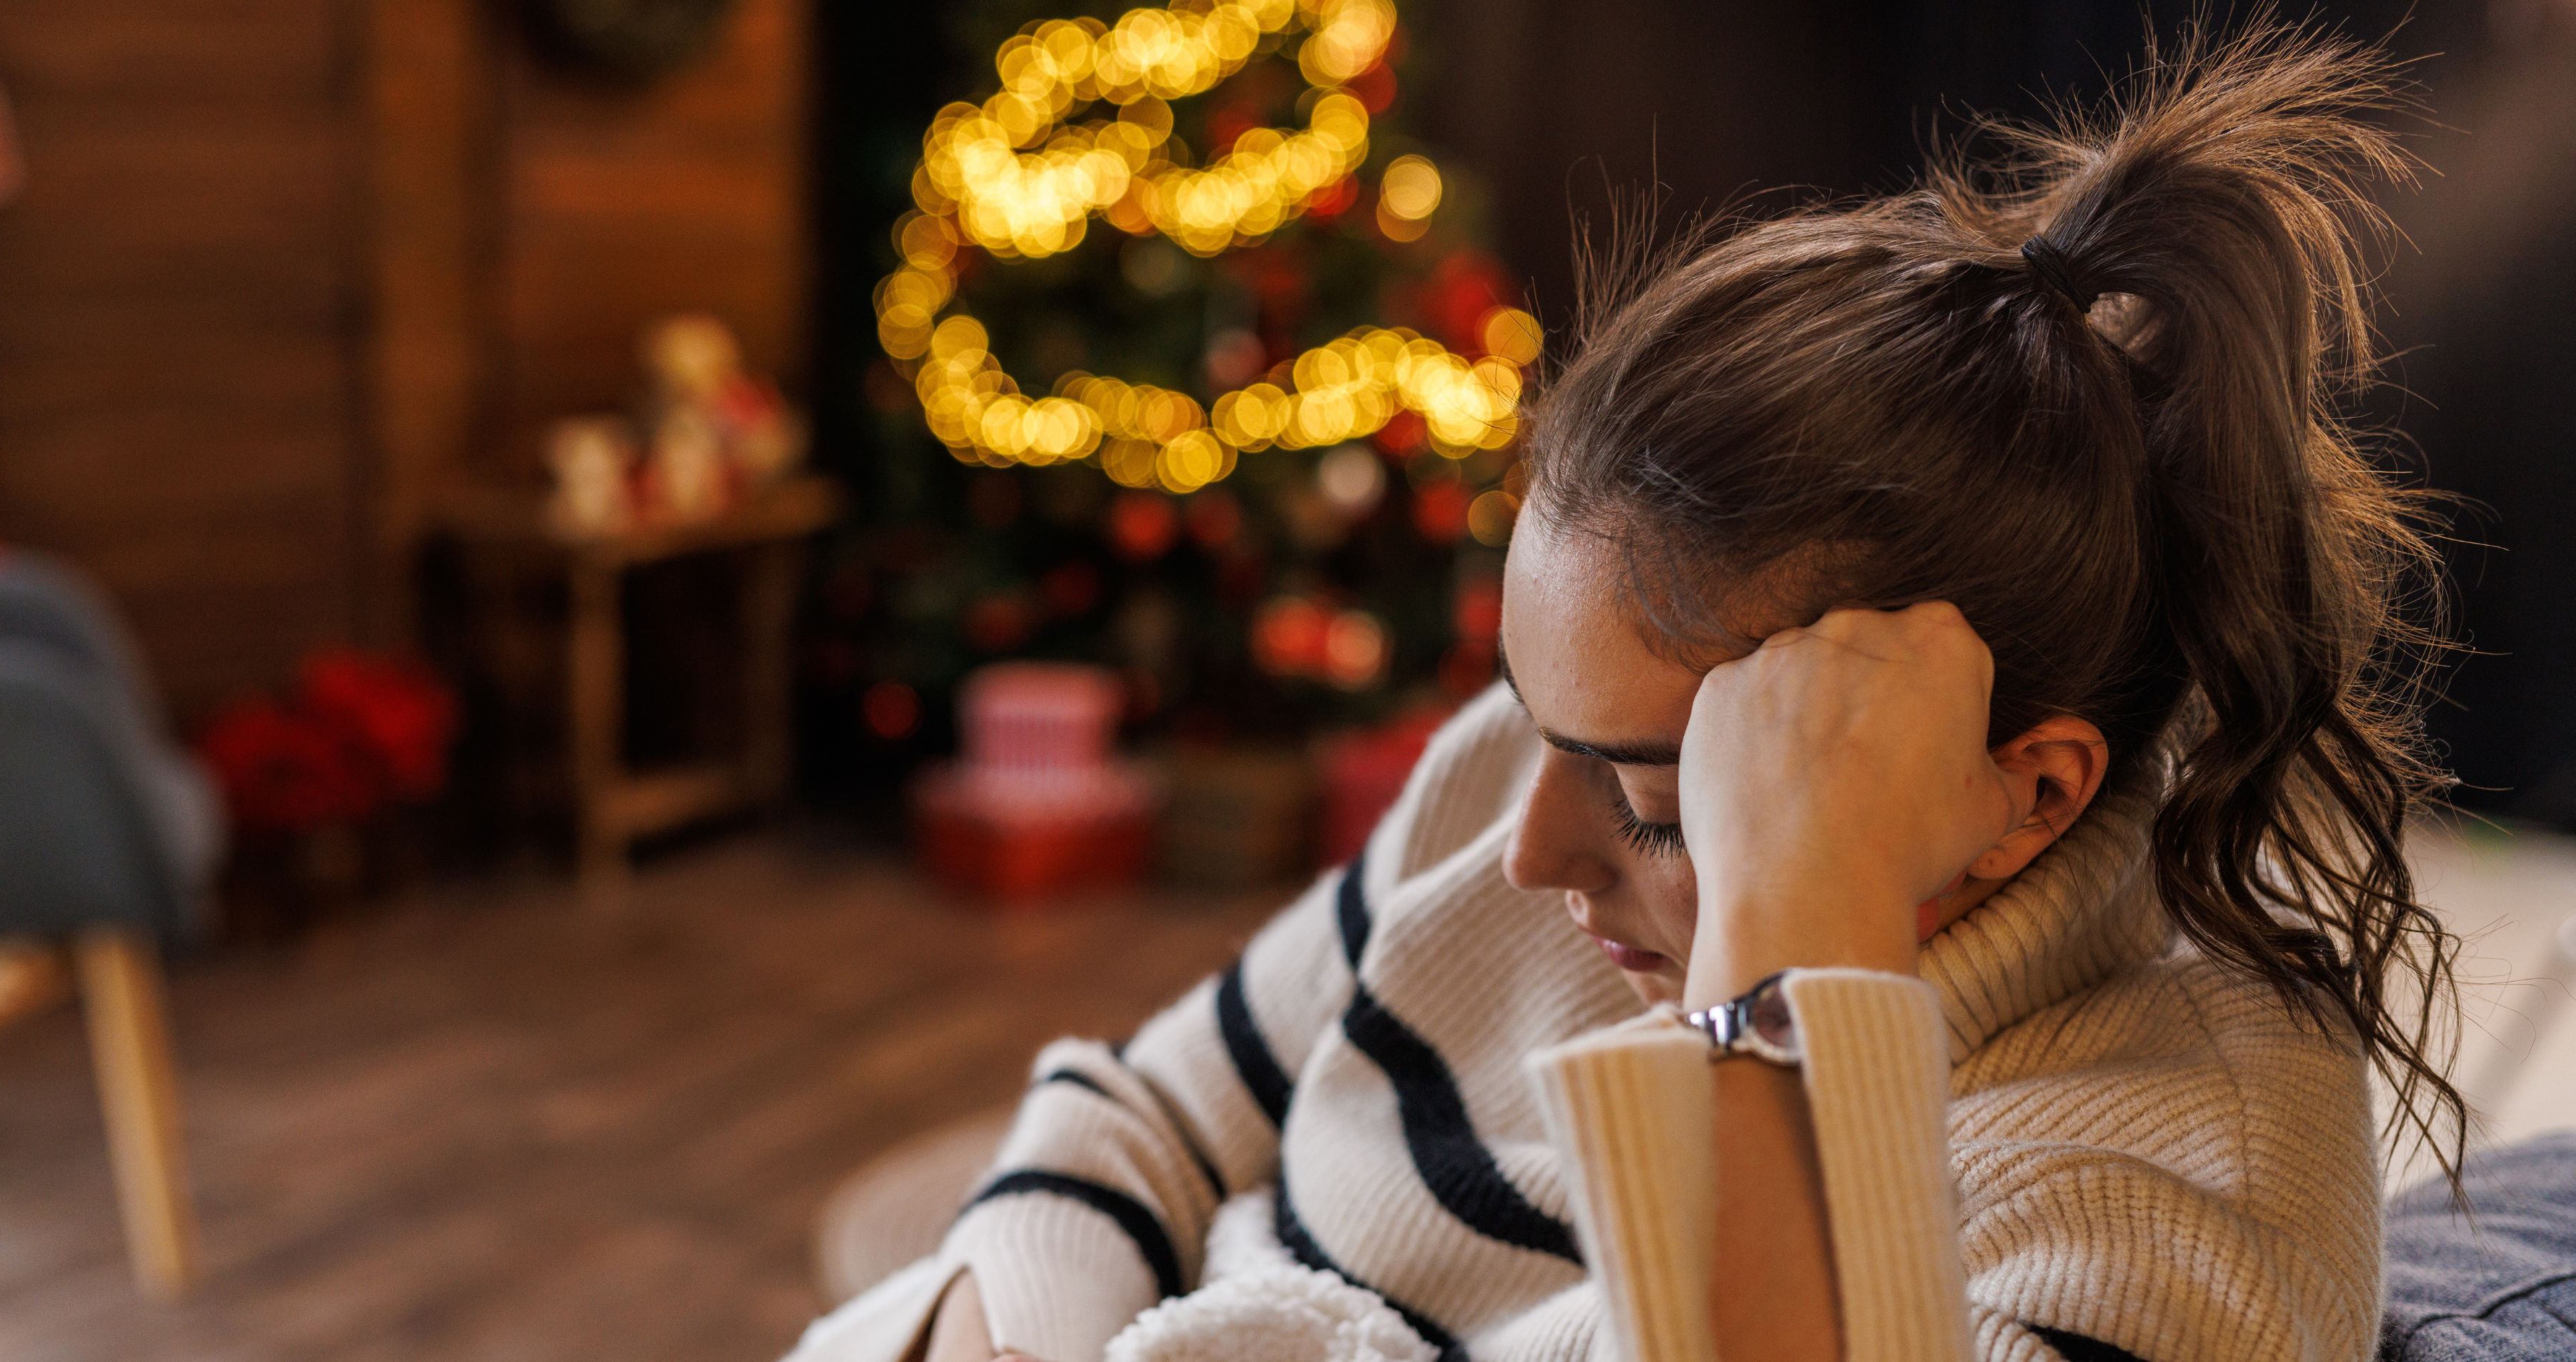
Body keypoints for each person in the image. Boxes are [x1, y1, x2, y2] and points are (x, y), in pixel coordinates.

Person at [790, 21, 2463, 1362]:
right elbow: (1141, 1109)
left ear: (2023, 790)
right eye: (1527, 716)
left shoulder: (2182, 1206)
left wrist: (1790, 945)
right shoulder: (1548, 782)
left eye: (1667, 805)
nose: (1523, 847)